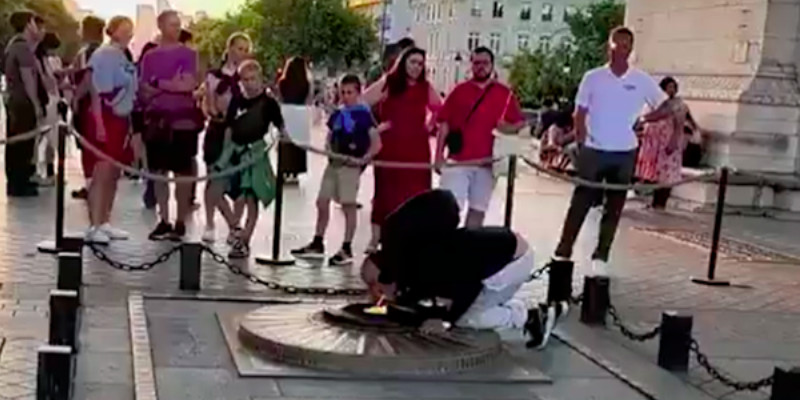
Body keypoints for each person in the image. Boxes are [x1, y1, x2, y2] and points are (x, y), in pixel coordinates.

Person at [547, 27, 673, 277]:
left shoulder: (641, 80)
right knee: (580, 202)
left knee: (614, 206)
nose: (620, 51)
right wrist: (582, 144)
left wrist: (645, 119)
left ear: (631, 49)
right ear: (609, 47)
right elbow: (579, 113)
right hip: (594, 149)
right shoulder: (593, 77)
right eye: (616, 46)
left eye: (625, 46)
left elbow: (667, 106)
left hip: (624, 152)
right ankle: (564, 249)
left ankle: (601, 255)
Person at [360, 189, 545, 338]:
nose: (376, 294)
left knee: (469, 318)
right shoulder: (410, 257)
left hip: (511, 262)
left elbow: (469, 285)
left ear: (390, 275)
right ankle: (512, 306)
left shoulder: (427, 263)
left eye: (377, 288)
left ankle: (528, 317)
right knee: (473, 303)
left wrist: (447, 321)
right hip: (500, 252)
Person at [292, 75, 386, 266]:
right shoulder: (338, 114)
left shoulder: (364, 116)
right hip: (333, 164)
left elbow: (376, 143)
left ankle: (347, 246)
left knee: (348, 205)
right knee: (322, 201)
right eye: (342, 92)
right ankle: (318, 241)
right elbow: (330, 135)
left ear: (358, 92)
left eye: (350, 92)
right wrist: (328, 149)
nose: (345, 96)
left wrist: (361, 160)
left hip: (349, 166)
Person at [362, 47, 442, 252]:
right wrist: (376, 128)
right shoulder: (389, 82)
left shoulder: (425, 87)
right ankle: (375, 239)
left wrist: (430, 125)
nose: (416, 67)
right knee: (385, 193)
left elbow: (440, 108)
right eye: (413, 62)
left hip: (417, 148)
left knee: (416, 194)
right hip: (390, 146)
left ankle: (411, 237)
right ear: (403, 62)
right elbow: (362, 102)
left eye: (420, 63)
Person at [436, 46, 525, 228]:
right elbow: (443, 124)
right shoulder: (459, 91)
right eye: (477, 63)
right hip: (458, 161)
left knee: (478, 211)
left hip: (487, 164)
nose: (481, 67)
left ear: (492, 65)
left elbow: (521, 124)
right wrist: (438, 155)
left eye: (485, 63)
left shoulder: (504, 94)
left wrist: (507, 127)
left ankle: (467, 250)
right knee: (449, 209)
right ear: (471, 65)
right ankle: (445, 249)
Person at [139, 10, 204, 241]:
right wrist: (168, 84)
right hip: (157, 120)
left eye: (178, 25)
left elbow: (187, 84)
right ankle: (164, 219)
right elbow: (144, 89)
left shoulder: (189, 54)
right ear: (161, 26)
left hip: (183, 121)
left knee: (183, 172)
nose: (176, 29)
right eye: (172, 25)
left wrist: (159, 83)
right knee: (158, 172)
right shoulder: (150, 57)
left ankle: (180, 221)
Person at [213, 59, 283, 258]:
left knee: (250, 198)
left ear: (260, 79)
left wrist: (283, 140)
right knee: (218, 191)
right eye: (245, 80)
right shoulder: (236, 100)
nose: (250, 83)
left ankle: (244, 240)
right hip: (234, 152)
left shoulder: (269, 103)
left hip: (255, 153)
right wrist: (224, 156)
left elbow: (280, 126)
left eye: (253, 79)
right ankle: (235, 228)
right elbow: (229, 127)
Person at [83, 16, 137, 244]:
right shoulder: (103, 55)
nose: (129, 34)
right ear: (112, 31)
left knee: (114, 174)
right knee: (102, 173)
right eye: (125, 29)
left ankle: (105, 220)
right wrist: (100, 124)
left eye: (131, 30)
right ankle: (94, 224)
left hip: (122, 119)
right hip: (105, 116)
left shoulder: (122, 56)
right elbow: (97, 92)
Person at [201, 32, 252, 243]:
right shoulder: (214, 75)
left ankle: (234, 226)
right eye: (238, 48)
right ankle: (214, 222)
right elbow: (208, 102)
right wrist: (214, 112)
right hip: (218, 129)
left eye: (245, 49)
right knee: (214, 180)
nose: (241, 53)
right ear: (229, 48)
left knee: (239, 183)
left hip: (240, 131)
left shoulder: (248, 76)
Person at [4, 11, 46, 197]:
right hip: (23, 102)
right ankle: (19, 183)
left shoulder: (13, 45)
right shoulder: (22, 48)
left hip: (14, 100)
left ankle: (16, 181)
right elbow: (28, 78)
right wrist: (36, 104)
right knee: (23, 143)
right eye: (34, 23)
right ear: (28, 24)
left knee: (16, 142)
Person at [636, 76, 692, 210]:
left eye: (673, 87)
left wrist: (673, 142)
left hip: (668, 144)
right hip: (653, 145)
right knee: (655, 175)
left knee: (666, 175)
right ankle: (654, 202)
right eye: (668, 87)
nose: (671, 90)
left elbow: (678, 125)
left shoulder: (678, 105)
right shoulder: (655, 102)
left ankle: (660, 203)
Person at [70, 15, 106, 200]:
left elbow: (87, 77)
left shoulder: (88, 52)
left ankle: (91, 183)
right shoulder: (106, 51)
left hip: (89, 105)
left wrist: (76, 97)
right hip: (103, 104)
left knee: (88, 146)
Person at [33, 32, 64, 187]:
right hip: (50, 99)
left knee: (50, 137)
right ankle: (41, 171)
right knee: (49, 137)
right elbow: (47, 81)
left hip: (53, 98)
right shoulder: (41, 60)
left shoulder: (46, 59)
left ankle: (49, 170)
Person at [276, 56, 311, 184]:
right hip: (300, 113)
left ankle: (285, 169)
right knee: (298, 144)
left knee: (286, 144)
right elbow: (309, 99)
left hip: (286, 112)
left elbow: (280, 98)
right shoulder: (305, 83)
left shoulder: (282, 82)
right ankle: (296, 171)